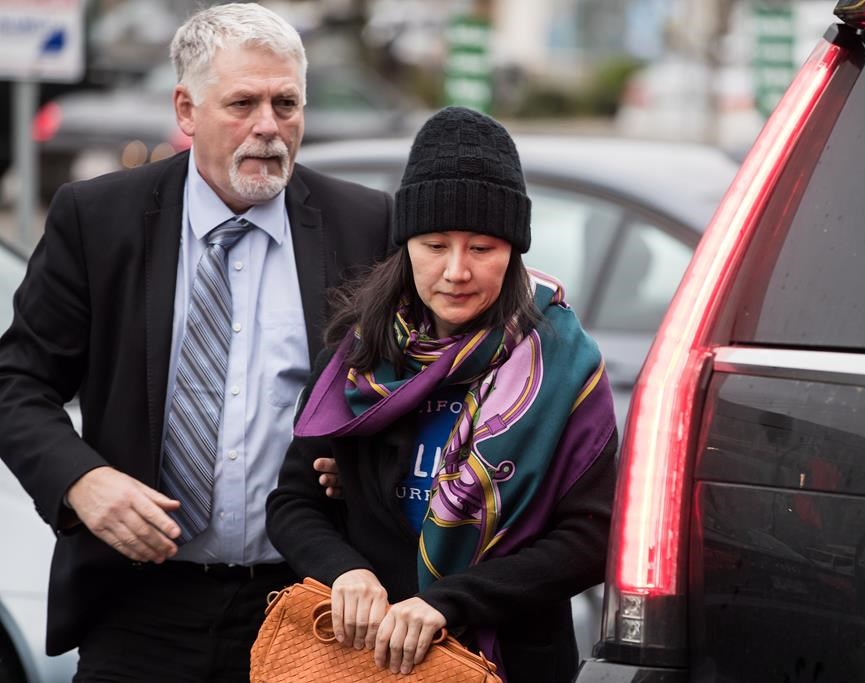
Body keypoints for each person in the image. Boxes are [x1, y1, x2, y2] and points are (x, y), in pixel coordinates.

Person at [0, 4, 391, 681]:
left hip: (304, 605)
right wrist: (81, 481)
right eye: (243, 103)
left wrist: (363, 460)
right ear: (187, 108)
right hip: (138, 606)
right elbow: (18, 382)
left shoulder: (363, 225)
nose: (269, 127)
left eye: (286, 103)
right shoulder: (99, 220)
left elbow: (414, 385)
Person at [266, 106, 618, 683]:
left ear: (514, 250)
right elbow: (294, 502)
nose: (456, 271)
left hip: (507, 661)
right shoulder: (357, 361)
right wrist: (345, 572)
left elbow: (590, 535)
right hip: (363, 663)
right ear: (406, 245)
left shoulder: (562, 370)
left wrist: (450, 602)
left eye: (482, 248)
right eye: (434, 245)